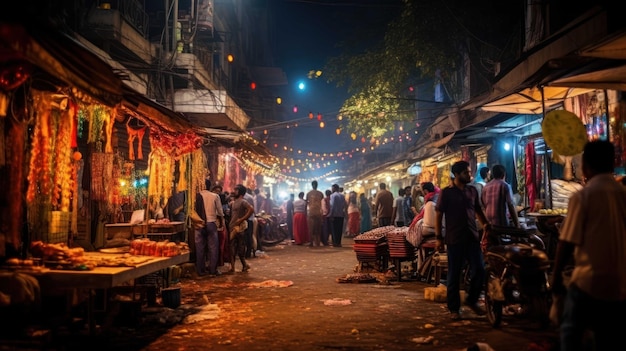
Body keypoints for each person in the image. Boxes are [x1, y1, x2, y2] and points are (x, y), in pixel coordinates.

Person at [551, 140, 626, 351]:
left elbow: (566, 241)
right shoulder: (622, 194)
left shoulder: (583, 196)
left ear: (585, 165)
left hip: (588, 283)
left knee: (570, 335)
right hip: (620, 284)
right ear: (613, 163)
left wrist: (556, 278)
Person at [435, 160, 490, 320]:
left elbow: (478, 210)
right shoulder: (446, 193)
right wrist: (439, 238)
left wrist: (486, 225)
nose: (470, 175)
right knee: (454, 274)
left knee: (479, 269)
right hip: (454, 238)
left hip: (472, 237)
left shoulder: (472, 191)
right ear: (457, 174)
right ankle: (454, 309)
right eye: (466, 172)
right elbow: (439, 215)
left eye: (469, 172)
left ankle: (472, 300)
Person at [195, 179, 225, 276]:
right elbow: (220, 212)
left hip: (199, 223)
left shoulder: (196, 196)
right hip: (211, 223)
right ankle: (213, 270)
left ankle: (201, 270)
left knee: (199, 248)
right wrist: (222, 224)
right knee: (213, 248)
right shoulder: (215, 196)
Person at [481, 164, 519, 228]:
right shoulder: (505, 186)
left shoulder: (485, 187)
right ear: (503, 174)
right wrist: (517, 225)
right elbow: (511, 206)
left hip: (489, 223)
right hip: (502, 222)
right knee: (505, 237)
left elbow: (484, 206)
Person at [228, 184, 254, 273]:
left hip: (240, 228)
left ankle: (244, 265)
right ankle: (233, 267)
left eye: (236, 190)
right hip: (232, 226)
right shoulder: (233, 202)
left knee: (240, 246)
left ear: (240, 192)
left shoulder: (243, 202)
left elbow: (251, 209)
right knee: (231, 247)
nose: (234, 191)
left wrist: (242, 219)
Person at [305, 180, 325, 247]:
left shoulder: (308, 194)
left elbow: (306, 204)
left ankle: (311, 242)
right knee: (318, 229)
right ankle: (317, 243)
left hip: (311, 212)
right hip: (318, 212)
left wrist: (305, 213)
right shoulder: (320, 193)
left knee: (311, 228)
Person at [244, 187, 256, 258]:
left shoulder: (247, 198)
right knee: (248, 236)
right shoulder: (250, 197)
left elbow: (251, 209)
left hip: (247, 219)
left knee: (248, 236)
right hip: (248, 219)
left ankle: (248, 252)